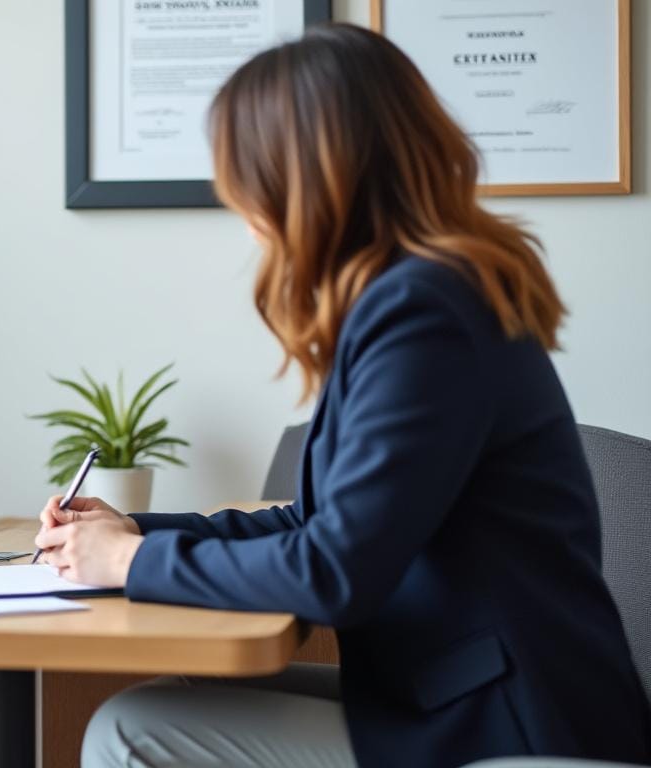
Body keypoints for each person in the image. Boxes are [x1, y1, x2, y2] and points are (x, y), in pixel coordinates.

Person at [32, 24, 651, 768]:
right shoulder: (420, 295)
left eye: (244, 180)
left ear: (302, 181)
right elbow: (317, 522)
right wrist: (132, 529)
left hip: (509, 725)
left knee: (133, 729)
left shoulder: (425, 313)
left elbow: (334, 572)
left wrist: (130, 563)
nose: (242, 211)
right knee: (165, 700)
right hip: (455, 690)